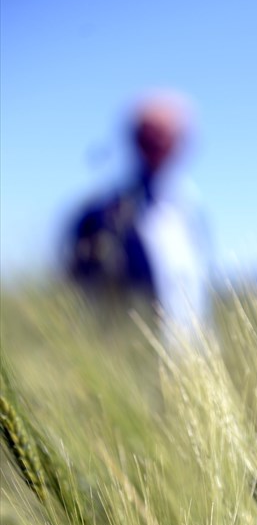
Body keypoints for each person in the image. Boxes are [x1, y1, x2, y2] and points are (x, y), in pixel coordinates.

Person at [65, 91, 210, 341]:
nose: (157, 149)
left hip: (191, 357)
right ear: (133, 142)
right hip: (129, 355)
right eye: (148, 139)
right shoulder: (101, 216)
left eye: (166, 138)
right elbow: (80, 290)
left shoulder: (191, 211)